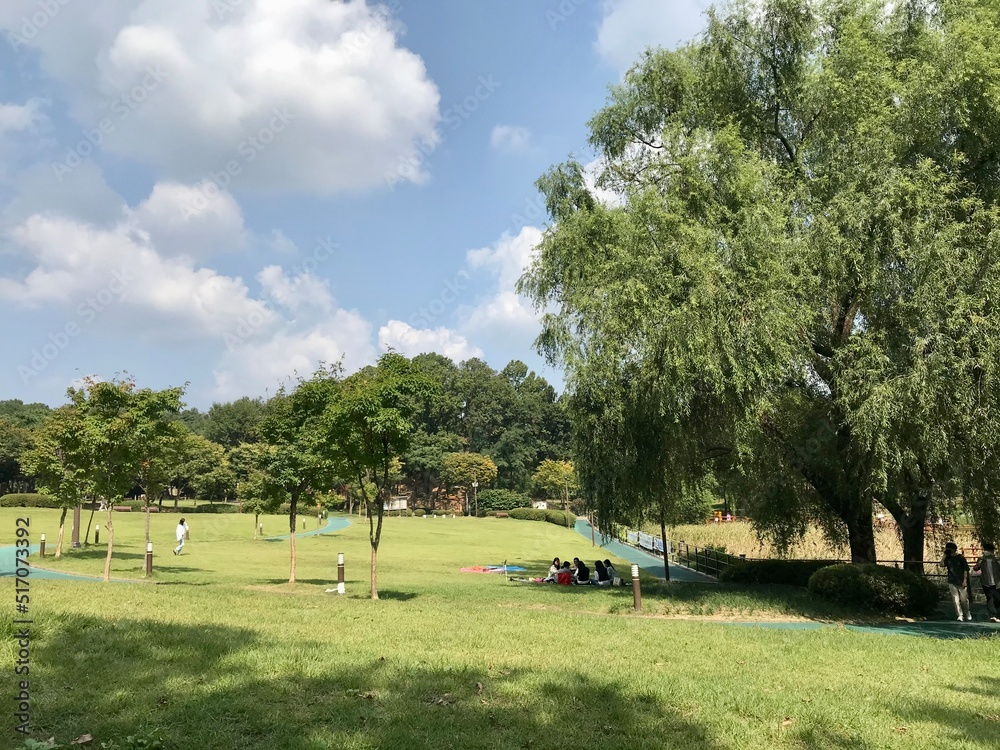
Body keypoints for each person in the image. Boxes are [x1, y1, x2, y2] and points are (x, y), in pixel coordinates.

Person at [943, 541, 972, 621]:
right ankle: (960, 615)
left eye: (949, 549)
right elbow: (941, 564)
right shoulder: (948, 558)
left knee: (964, 599)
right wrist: (944, 555)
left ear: (953, 549)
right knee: (955, 599)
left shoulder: (961, 558)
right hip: (952, 581)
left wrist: (965, 580)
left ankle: (967, 612)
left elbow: (966, 570)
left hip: (961, 580)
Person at [973, 542, 1000, 623]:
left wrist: (994, 559)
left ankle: (998, 615)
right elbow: (976, 569)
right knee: (990, 598)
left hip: (997, 582)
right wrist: (979, 563)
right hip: (986, 582)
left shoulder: (996, 559)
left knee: (998, 598)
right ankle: (993, 616)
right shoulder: (981, 559)